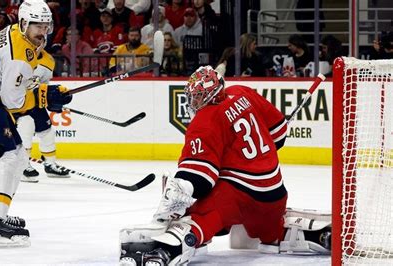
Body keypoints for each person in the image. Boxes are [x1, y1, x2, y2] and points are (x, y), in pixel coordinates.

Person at [119, 65, 332, 265]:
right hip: (274, 194)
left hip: (238, 196)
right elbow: (279, 136)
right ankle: (310, 234)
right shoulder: (243, 93)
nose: (194, 102)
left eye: (198, 97)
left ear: (211, 94)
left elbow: (201, 179)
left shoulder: (205, 119)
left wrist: (177, 191)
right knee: (270, 230)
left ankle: (171, 248)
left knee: (203, 216)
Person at [0, 0, 72, 248]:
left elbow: (14, 89)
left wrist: (44, 92)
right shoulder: (20, 53)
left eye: (46, 25)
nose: (43, 31)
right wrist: (44, 96)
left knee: (17, 154)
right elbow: (14, 101)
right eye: (37, 25)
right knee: (9, 155)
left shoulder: (17, 34)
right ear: (24, 23)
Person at [16, 48, 71, 183]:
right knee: (26, 128)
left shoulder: (48, 60)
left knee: (47, 132)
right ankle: (22, 166)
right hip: (18, 102)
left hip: (34, 102)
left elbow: (43, 85)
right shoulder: (17, 55)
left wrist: (49, 97)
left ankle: (50, 164)